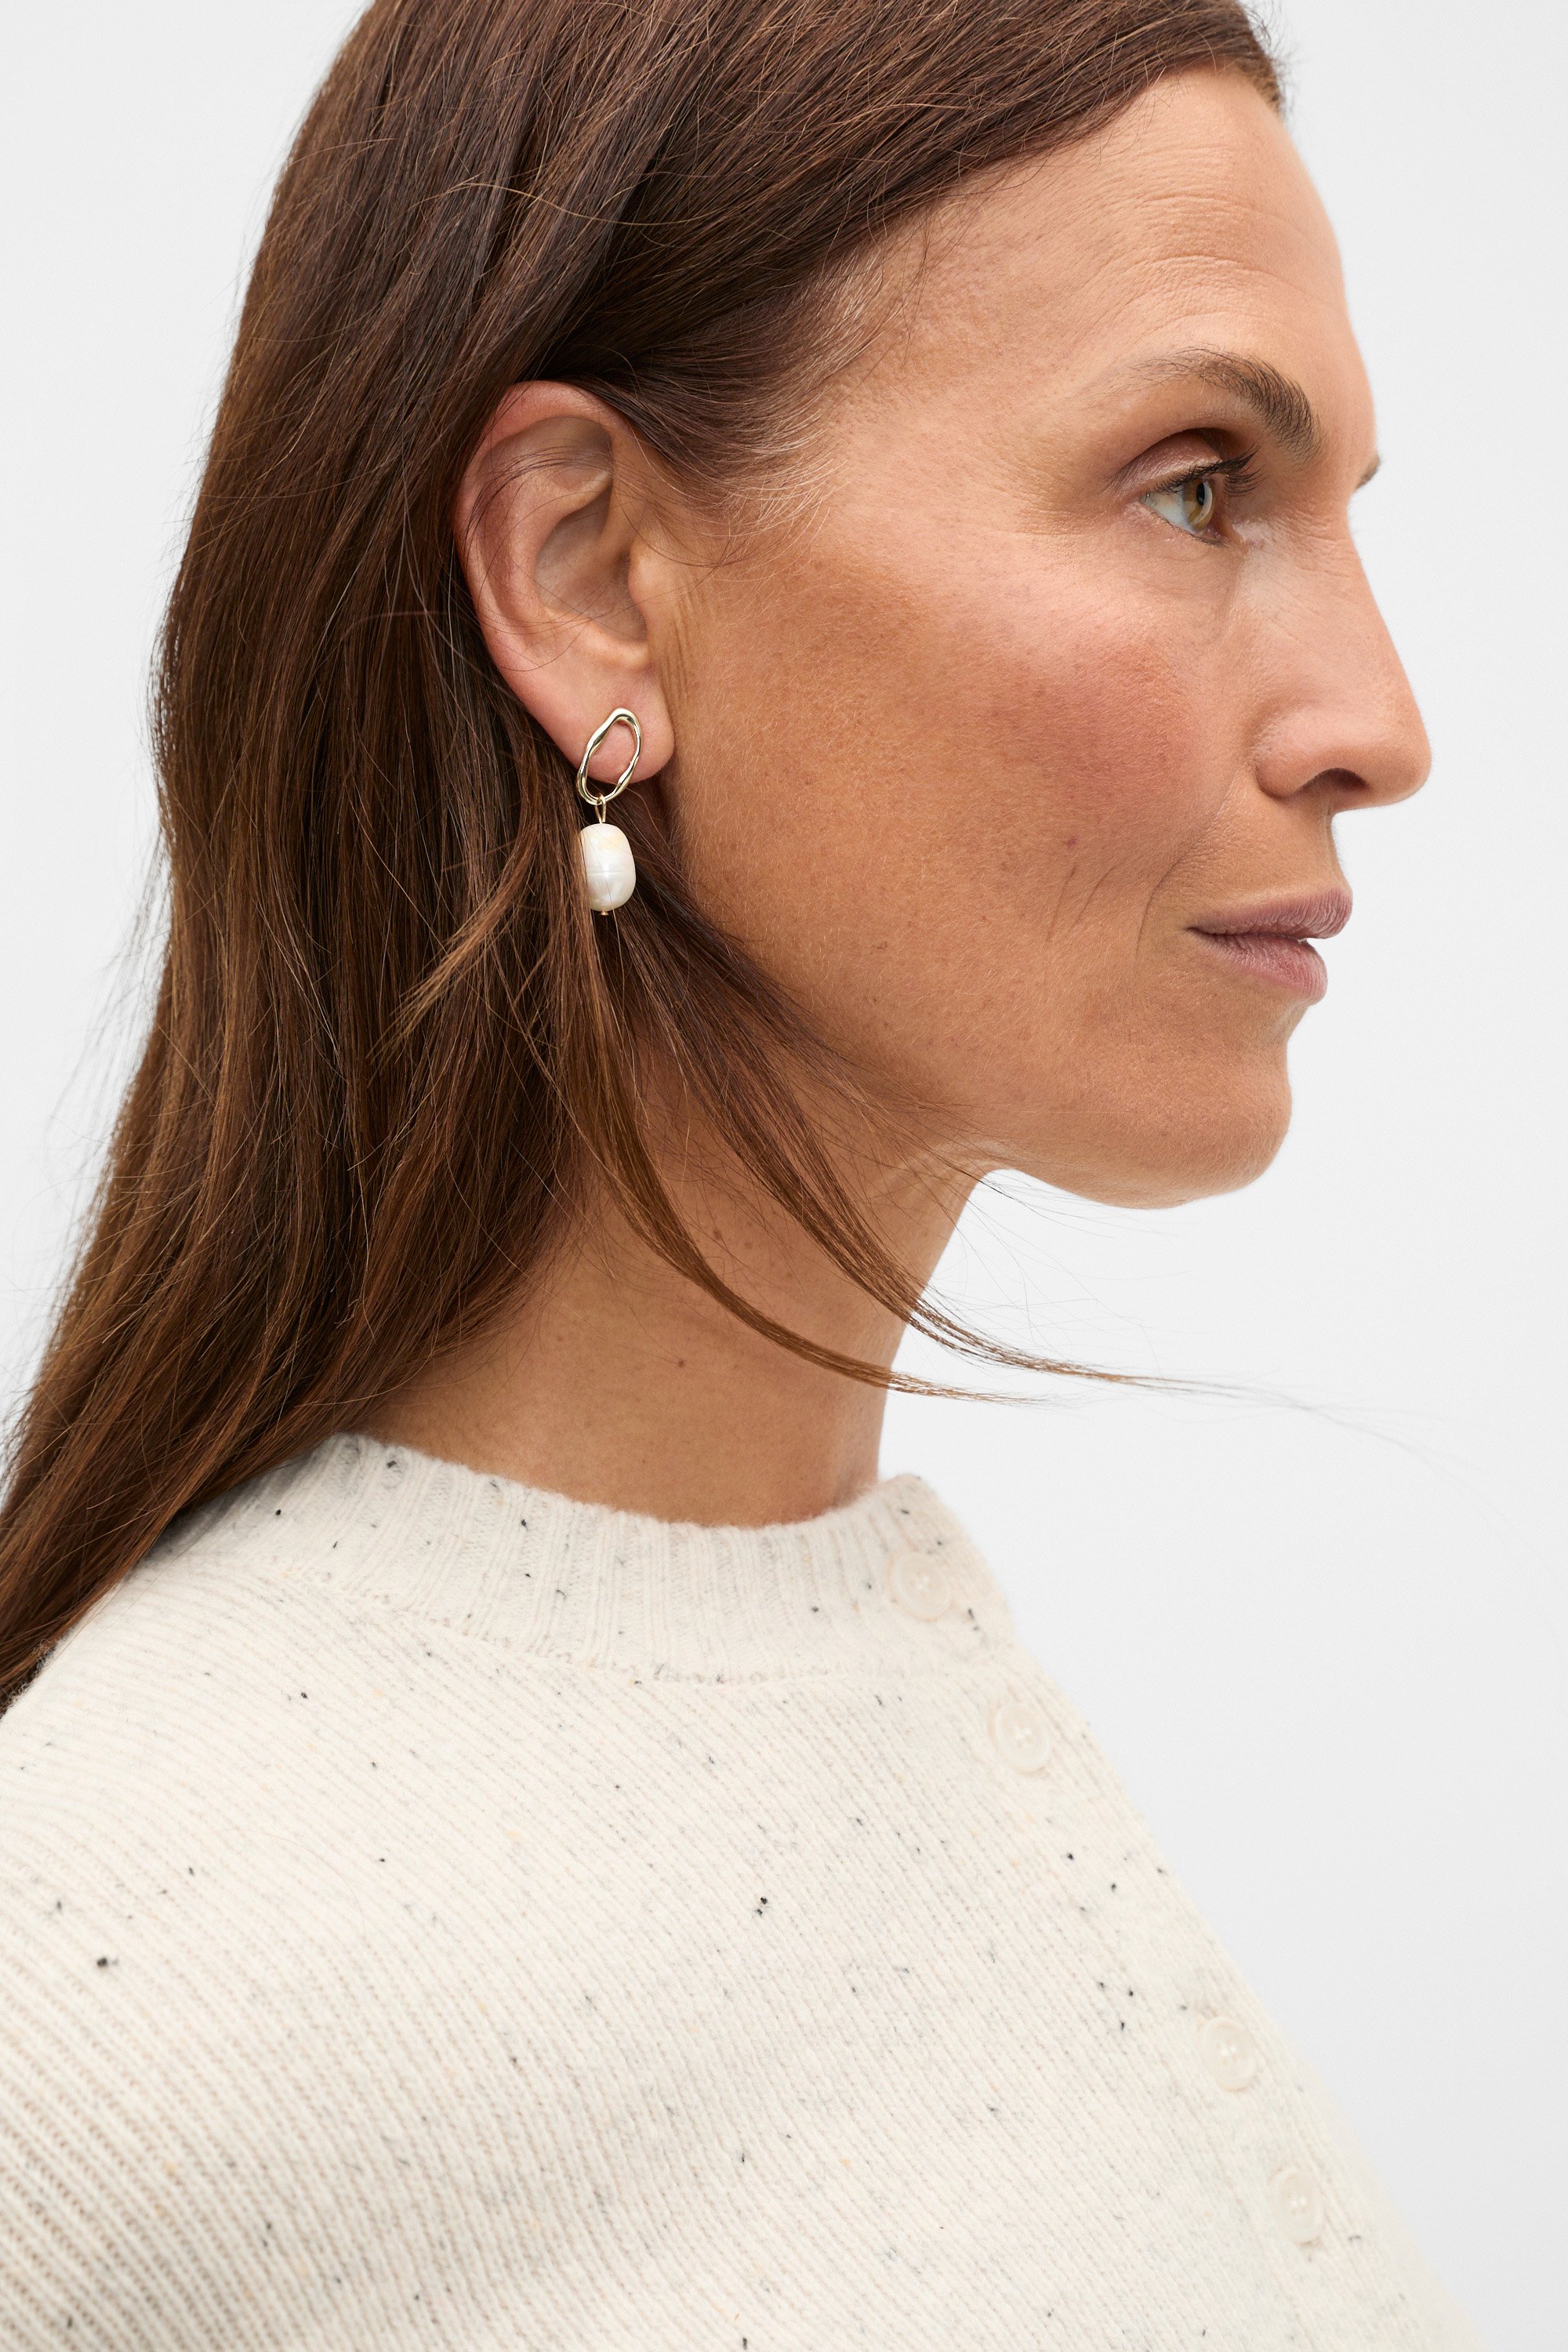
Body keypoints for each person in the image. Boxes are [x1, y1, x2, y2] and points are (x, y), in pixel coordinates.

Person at [0, 0, 1483, 2343]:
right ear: (589, 574)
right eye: (1196, 487)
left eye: (1340, 514)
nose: (1379, 725)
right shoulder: (119, 2002)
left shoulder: (886, 1706)